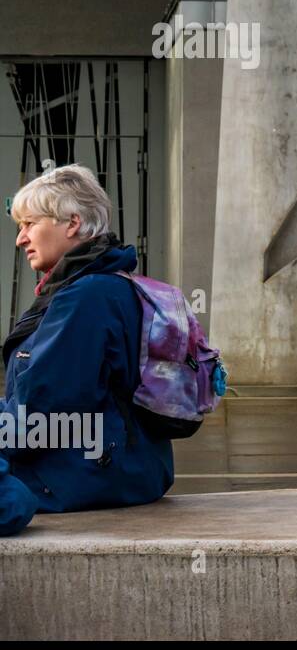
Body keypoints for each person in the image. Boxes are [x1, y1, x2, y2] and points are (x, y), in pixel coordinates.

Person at [2, 164, 174, 513]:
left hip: (85, 475)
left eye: (30, 224)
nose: (21, 239)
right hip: (125, 466)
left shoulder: (84, 298)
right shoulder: (114, 284)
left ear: (72, 223)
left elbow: (41, 416)